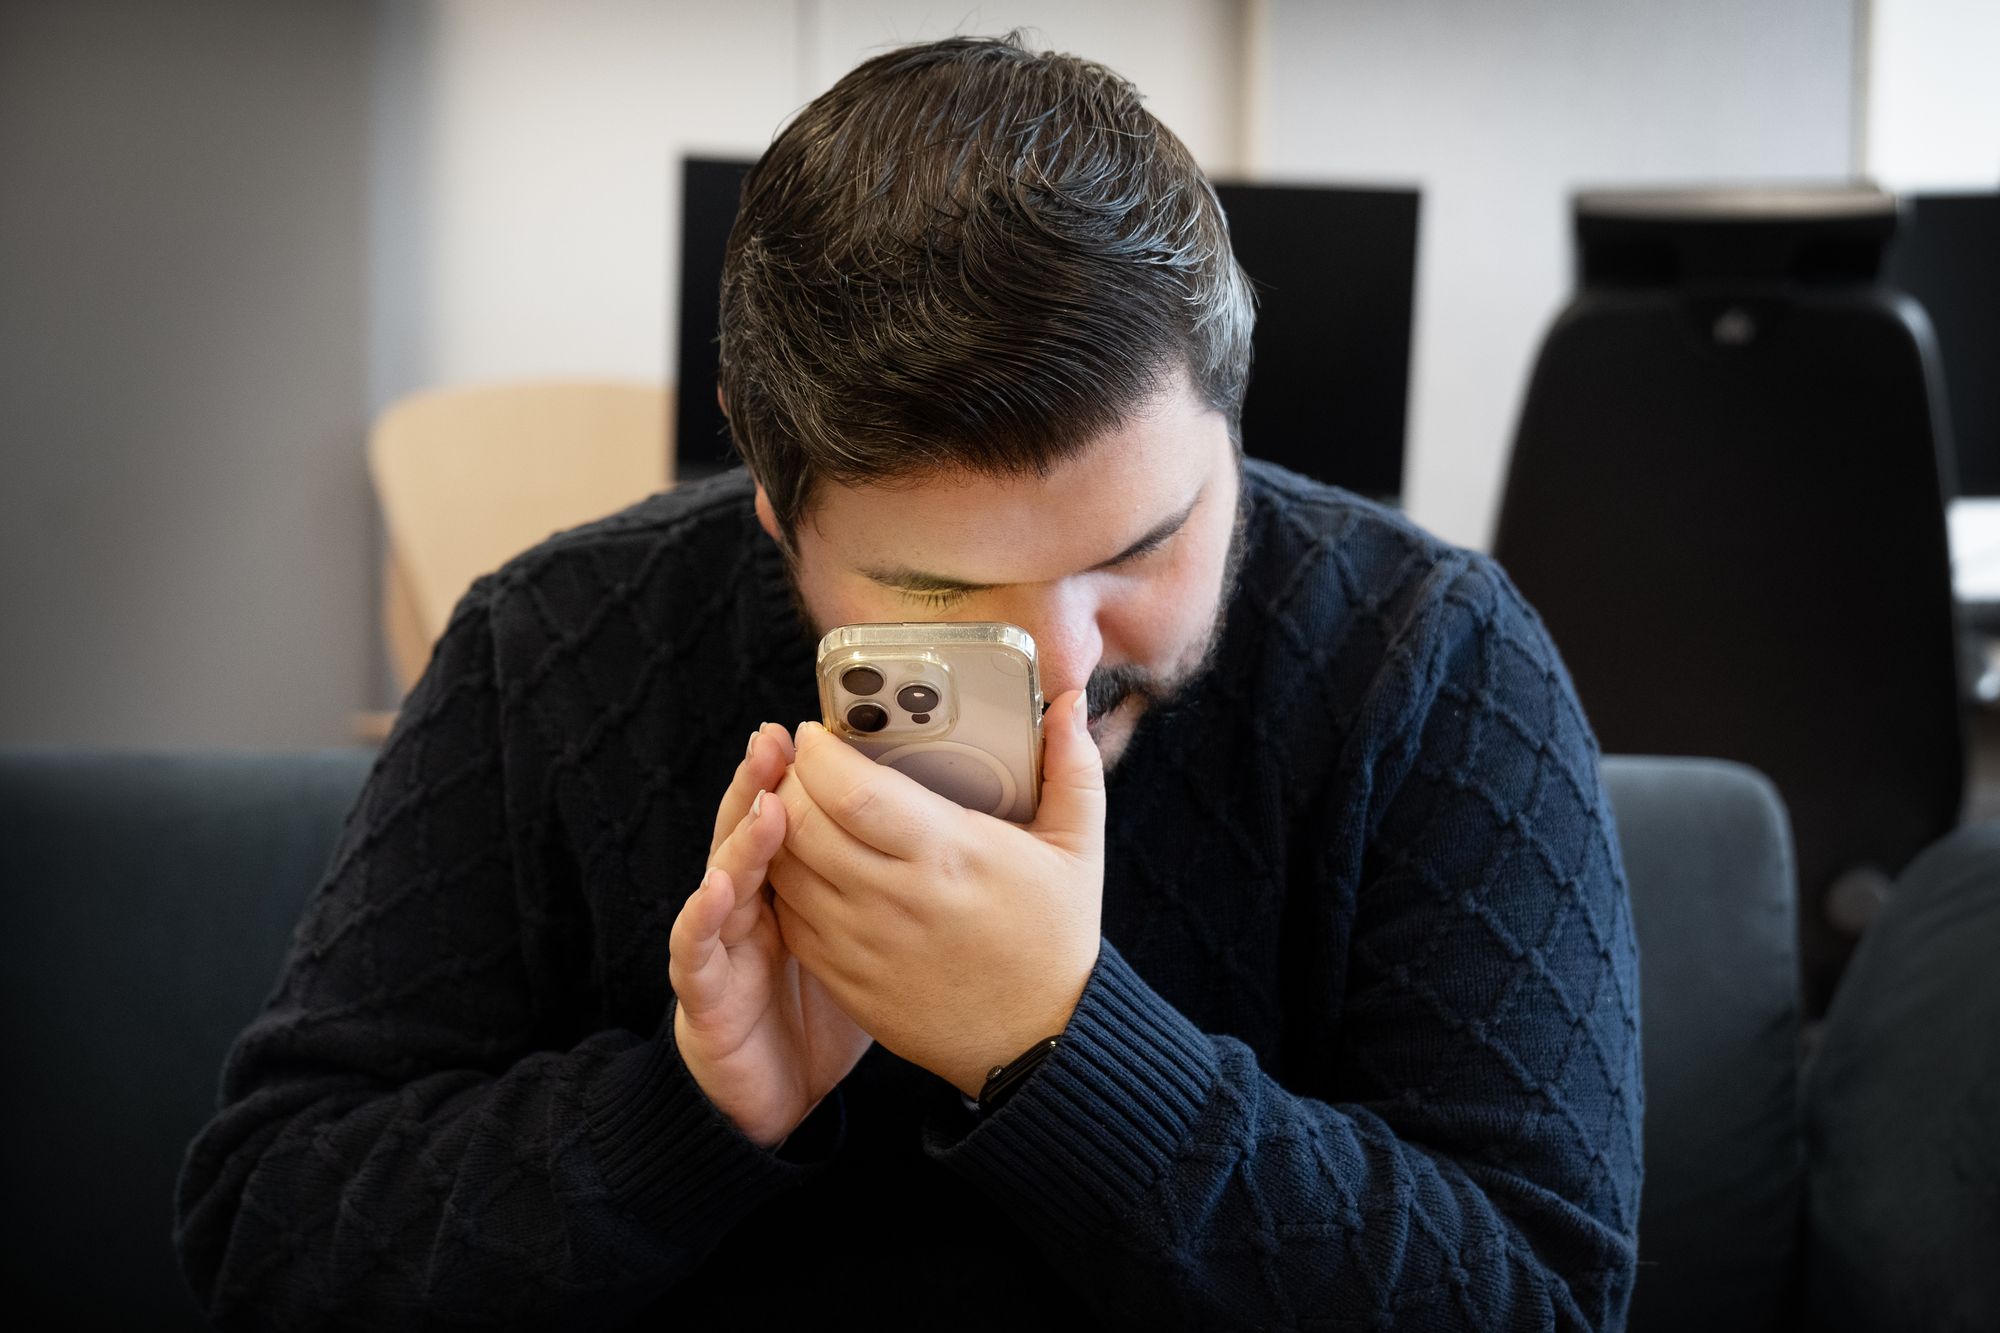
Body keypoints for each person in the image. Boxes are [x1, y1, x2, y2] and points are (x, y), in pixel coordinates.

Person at [175, 33, 1642, 1330]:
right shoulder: (551, 644)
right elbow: (268, 1235)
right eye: (943, 594)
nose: (1064, 671)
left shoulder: (1437, 660)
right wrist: (690, 1113)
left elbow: (1541, 1296)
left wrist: (1061, 1045)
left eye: (1142, 545)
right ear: (773, 497)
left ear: (1227, 415)